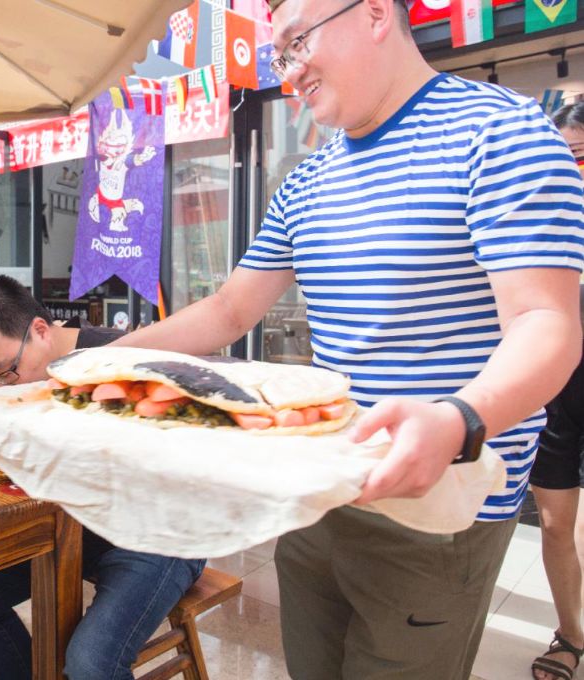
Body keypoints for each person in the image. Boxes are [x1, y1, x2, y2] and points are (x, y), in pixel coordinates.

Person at [111, 0, 584, 676]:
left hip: (438, 499)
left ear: (370, 15)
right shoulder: (306, 179)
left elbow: (546, 323)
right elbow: (227, 311)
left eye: (297, 42)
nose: (289, 73)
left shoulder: (499, 131)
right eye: (280, 56)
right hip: (322, 484)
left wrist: (457, 419)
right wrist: (97, 359)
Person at [0, 274, 206, 680]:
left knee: (91, 663)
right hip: (80, 526)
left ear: (41, 331)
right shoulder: (25, 386)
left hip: (163, 532)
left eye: (6, 373)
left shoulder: (118, 359)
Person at [530, 101, 584, 680]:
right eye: (562, 156)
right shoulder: (539, 215)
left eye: (580, 156)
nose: (571, 169)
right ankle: (571, 634)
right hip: (558, 387)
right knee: (553, 522)